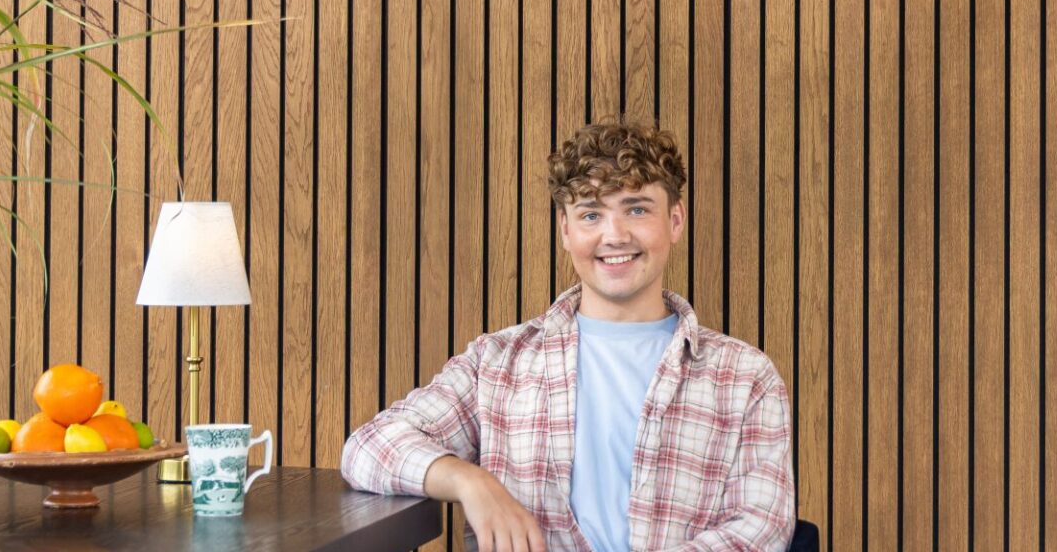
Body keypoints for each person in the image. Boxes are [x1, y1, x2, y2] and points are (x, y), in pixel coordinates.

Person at [341, 118, 797, 551]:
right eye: (591, 215)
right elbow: (367, 448)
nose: (613, 235)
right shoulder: (497, 362)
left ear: (675, 220)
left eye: (636, 209)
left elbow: (761, 527)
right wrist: (468, 481)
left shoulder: (746, 377)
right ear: (565, 229)